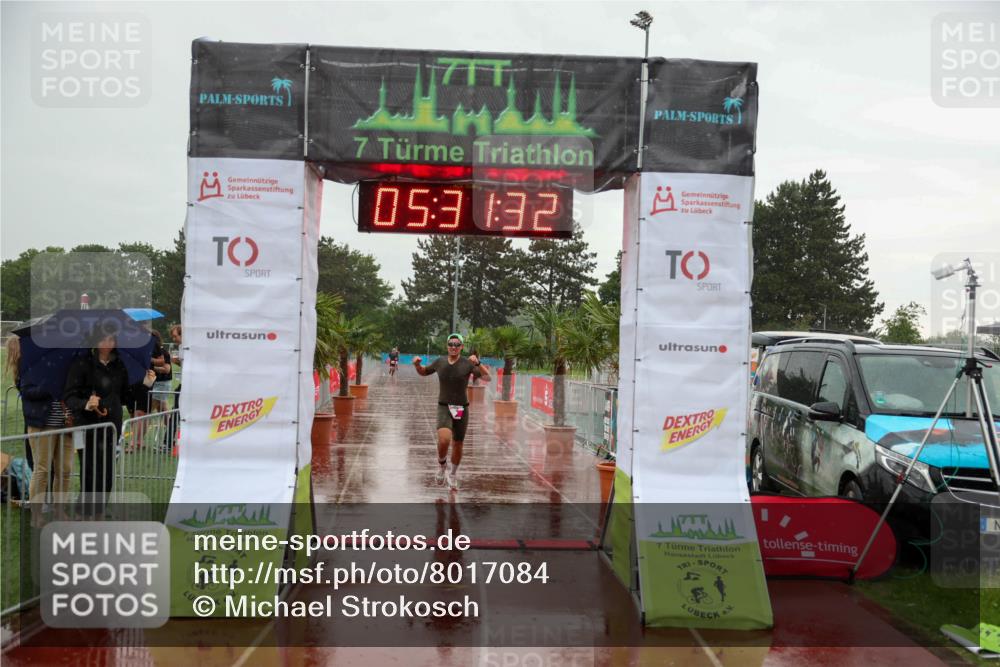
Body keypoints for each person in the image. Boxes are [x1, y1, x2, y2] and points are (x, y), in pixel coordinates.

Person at [64, 329, 155, 500]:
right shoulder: (81, 364)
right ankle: (86, 508)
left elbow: (127, 397)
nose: (107, 342)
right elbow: (70, 396)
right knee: (89, 468)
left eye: (111, 339)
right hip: (86, 425)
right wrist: (86, 403)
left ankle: (100, 508)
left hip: (112, 425)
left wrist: (145, 385)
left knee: (107, 469)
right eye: (103, 338)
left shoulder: (119, 365)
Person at [413, 333, 490, 490]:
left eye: (457, 344)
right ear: (447, 346)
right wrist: (417, 365)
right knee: (444, 439)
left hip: (461, 408)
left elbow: (487, 378)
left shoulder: (467, 363)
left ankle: (453, 474)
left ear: (462, 347)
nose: (453, 347)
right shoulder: (440, 362)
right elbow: (424, 372)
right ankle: (442, 465)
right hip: (444, 406)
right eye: (450, 344)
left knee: (458, 443)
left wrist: (478, 363)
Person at [8, 335, 73, 509]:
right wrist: (48, 385)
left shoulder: (67, 365)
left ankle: (59, 510)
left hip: (66, 424)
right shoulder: (33, 365)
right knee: (42, 469)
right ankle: (37, 514)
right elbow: (26, 391)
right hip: (42, 424)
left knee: (65, 470)